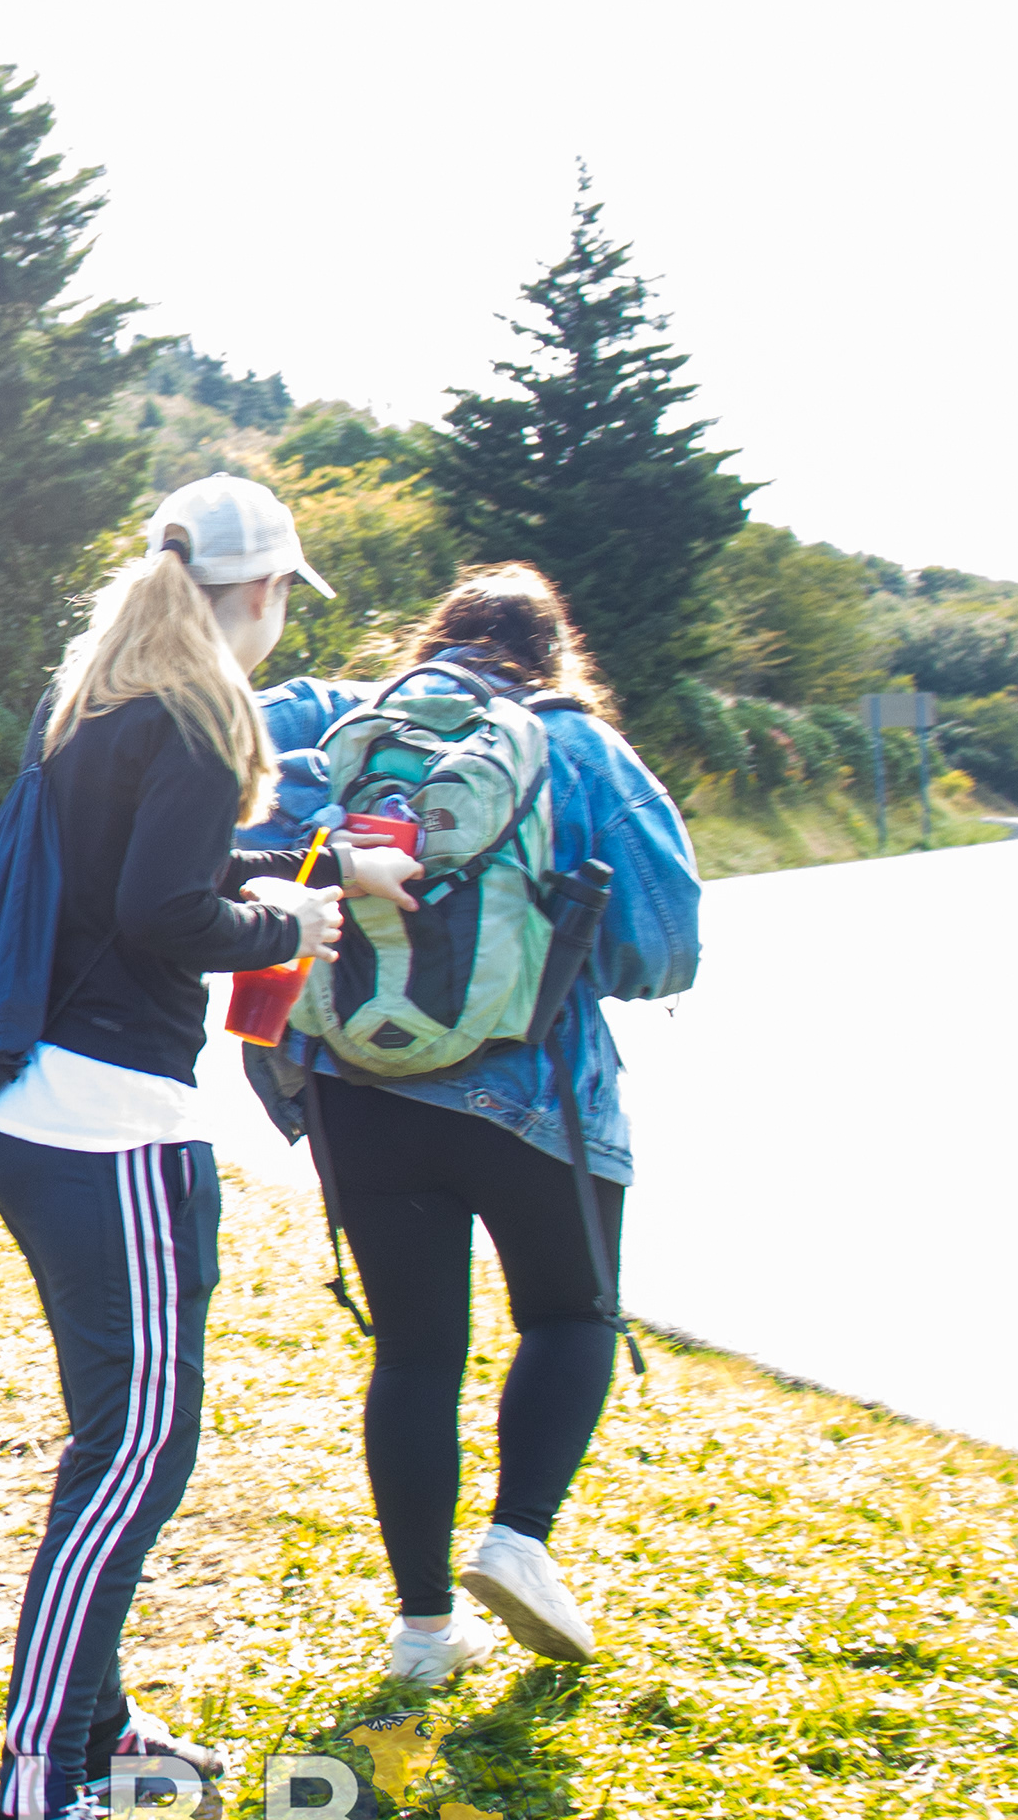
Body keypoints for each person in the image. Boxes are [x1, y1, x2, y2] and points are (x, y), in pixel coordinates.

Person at [0, 474, 414, 1820]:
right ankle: (36, 1803)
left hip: (22, 1102)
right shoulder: (209, 713)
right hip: (110, 1128)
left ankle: (95, 1727)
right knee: (136, 1451)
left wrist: (313, 867)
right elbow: (169, 913)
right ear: (261, 594)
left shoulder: (102, 693)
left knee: (118, 1437)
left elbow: (148, 872)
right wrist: (295, 919)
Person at [252, 563, 700, 1686]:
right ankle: (519, 1538)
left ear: (434, 637)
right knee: (570, 1313)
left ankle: (422, 1632)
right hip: (533, 1092)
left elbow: (239, 838)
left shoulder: (336, 722)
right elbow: (662, 950)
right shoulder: (580, 747)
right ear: (553, 655)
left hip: (358, 1090)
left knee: (414, 1352)